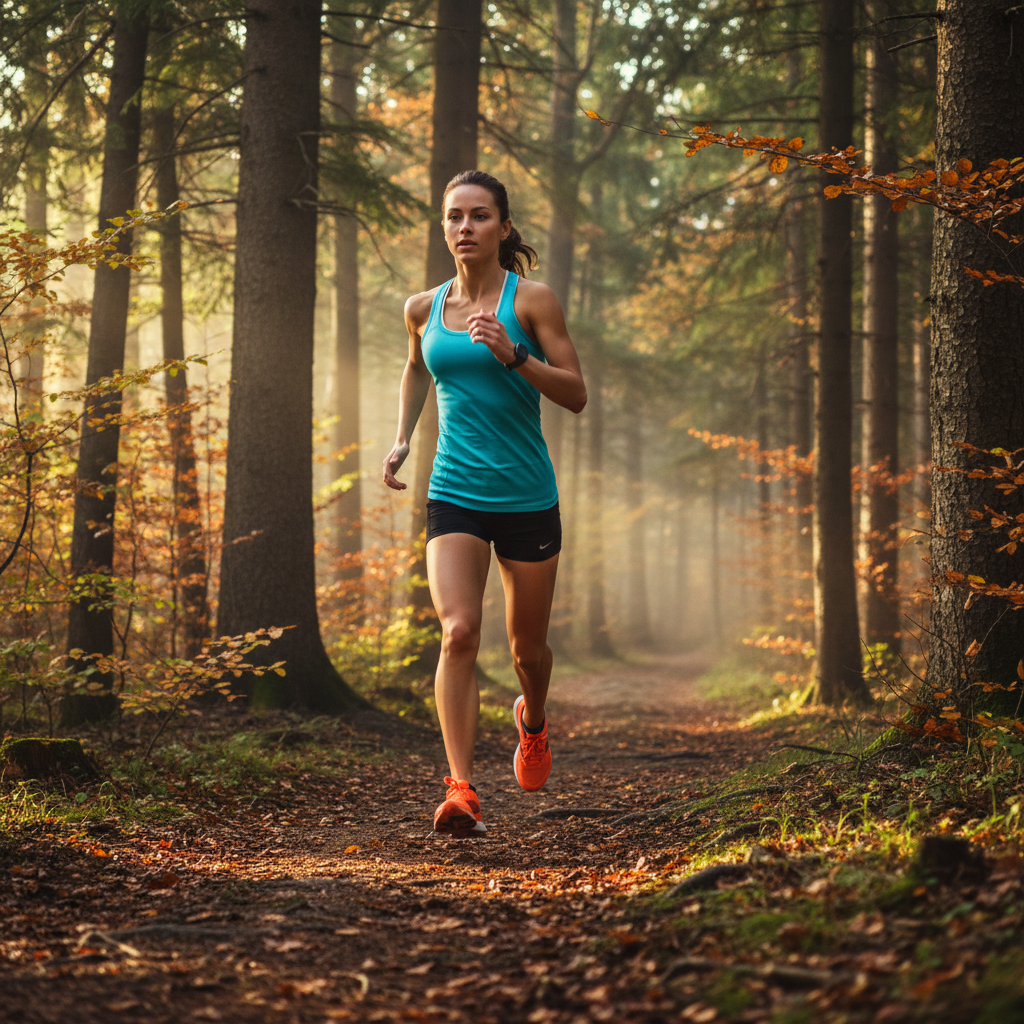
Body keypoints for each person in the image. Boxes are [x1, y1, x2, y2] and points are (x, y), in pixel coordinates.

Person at [382, 170, 587, 838]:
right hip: (455, 491)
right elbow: (417, 367)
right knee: (459, 631)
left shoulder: (532, 302)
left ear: (502, 226)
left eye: (478, 216)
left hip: (527, 495)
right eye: (453, 217)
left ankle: (532, 720)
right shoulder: (422, 308)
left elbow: (576, 392)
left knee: (528, 650)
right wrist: (402, 439)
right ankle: (461, 789)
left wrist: (514, 354)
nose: (464, 227)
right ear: (443, 228)